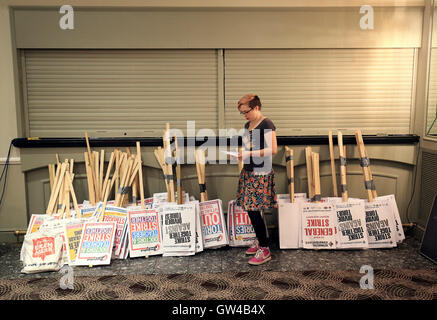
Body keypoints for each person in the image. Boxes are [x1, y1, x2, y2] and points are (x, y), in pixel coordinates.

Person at [234, 93, 278, 265]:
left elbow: (272, 149)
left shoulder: (267, 124)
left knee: (254, 209)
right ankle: (261, 241)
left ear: (257, 107)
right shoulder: (248, 124)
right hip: (249, 170)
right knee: (250, 208)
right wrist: (241, 155)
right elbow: (250, 147)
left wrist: (249, 153)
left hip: (261, 172)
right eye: (242, 113)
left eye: (247, 111)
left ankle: (265, 249)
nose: (245, 115)